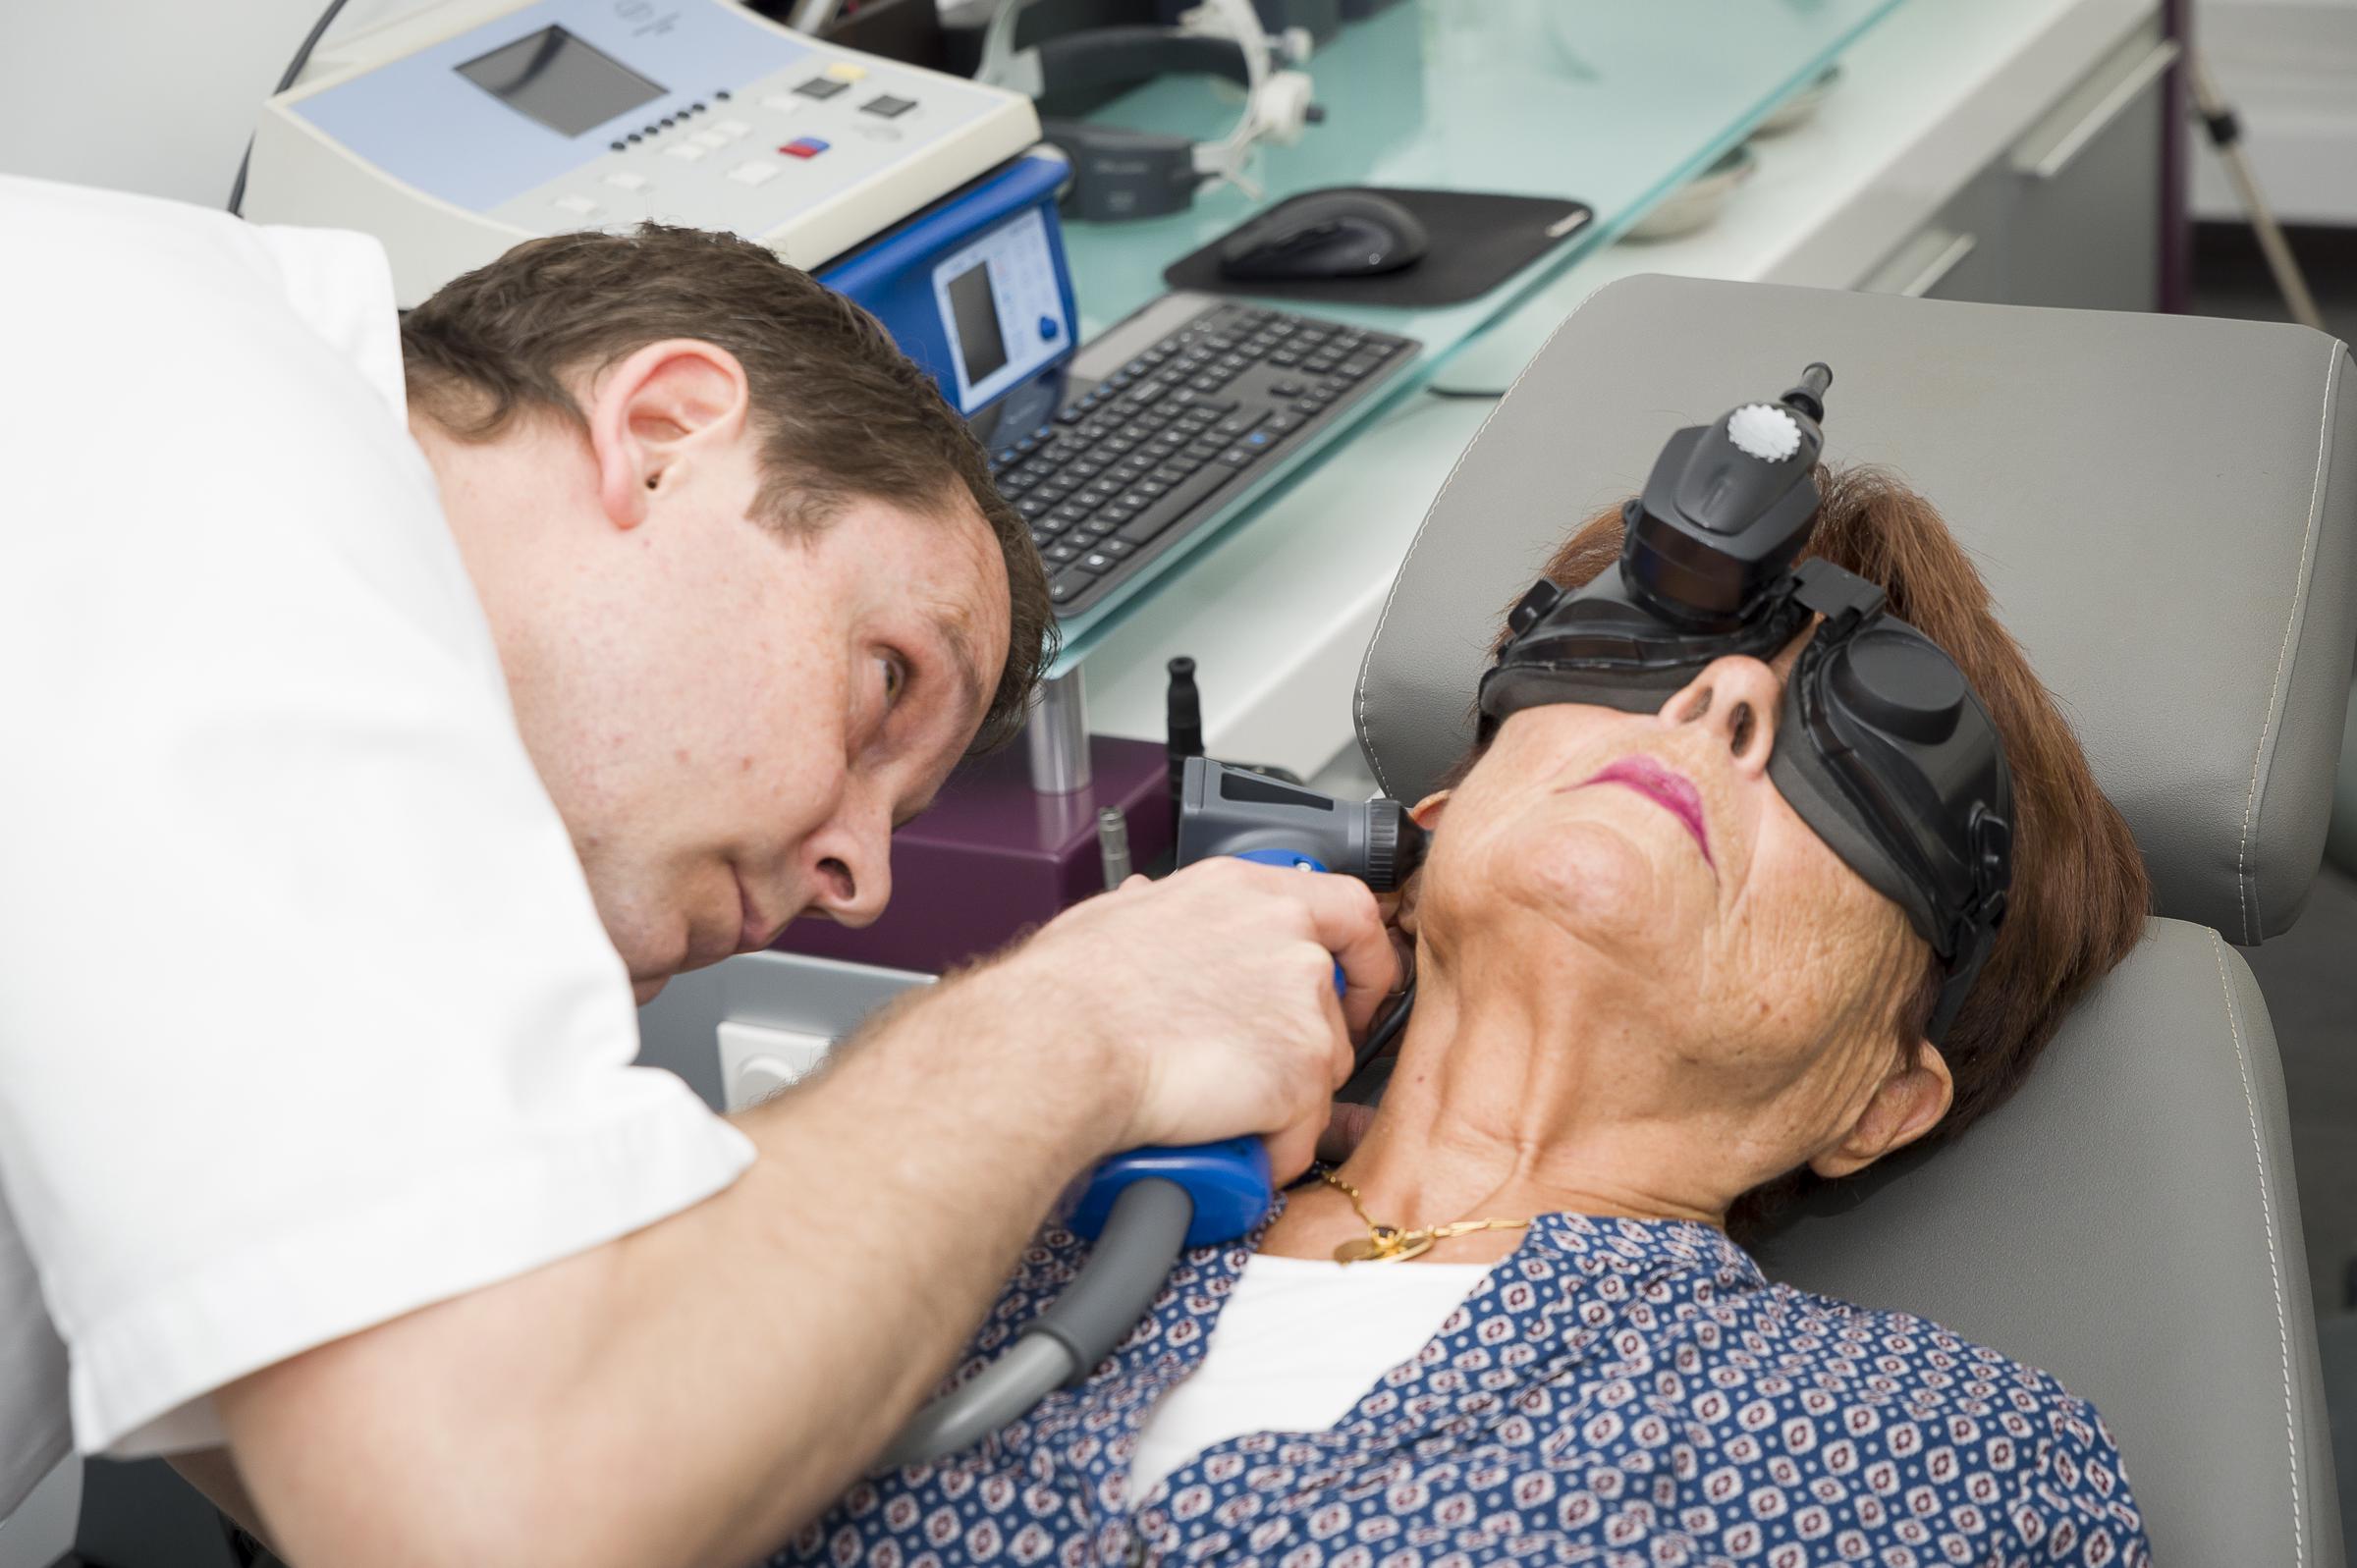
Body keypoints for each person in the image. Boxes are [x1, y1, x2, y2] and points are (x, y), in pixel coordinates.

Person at [0, 177, 1399, 1566]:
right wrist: (1086, 1018)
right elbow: (493, 1506)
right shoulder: (192, 443)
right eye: (884, 681)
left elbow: (323, 1405)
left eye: (896, 817)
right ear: (667, 432)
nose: (857, 879)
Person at [775, 465, 2156, 1567]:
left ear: (1877, 1100)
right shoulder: (981, 1195)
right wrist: (1048, 1037)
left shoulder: (1947, 1467)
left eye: (1870, 760)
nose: (1723, 696)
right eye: (1652, 640)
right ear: (1426, 841)